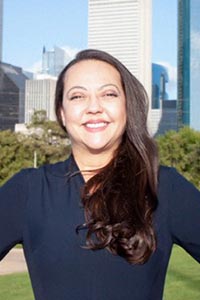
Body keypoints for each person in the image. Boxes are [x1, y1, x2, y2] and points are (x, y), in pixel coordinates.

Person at [0, 49, 200, 300]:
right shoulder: (28, 190)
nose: (94, 107)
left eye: (108, 94)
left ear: (127, 105)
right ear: (62, 113)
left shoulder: (164, 187)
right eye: (77, 96)